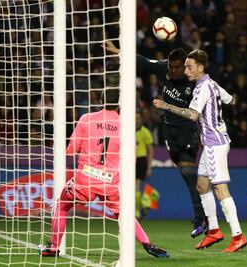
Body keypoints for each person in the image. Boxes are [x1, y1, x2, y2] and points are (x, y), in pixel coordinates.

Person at [39, 89, 169, 258]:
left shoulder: (86, 119)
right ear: (120, 104)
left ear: (100, 101)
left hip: (85, 180)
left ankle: (54, 247)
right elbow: (131, 158)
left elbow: (71, 149)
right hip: (110, 182)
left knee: (62, 205)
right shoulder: (125, 126)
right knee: (124, 214)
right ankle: (147, 243)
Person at [102, 41, 207, 238]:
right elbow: (142, 61)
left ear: (186, 66)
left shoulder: (193, 82)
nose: (173, 71)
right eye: (171, 66)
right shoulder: (163, 69)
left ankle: (201, 217)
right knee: (186, 173)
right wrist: (118, 50)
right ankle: (204, 213)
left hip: (186, 130)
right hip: (168, 130)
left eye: (177, 67)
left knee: (188, 171)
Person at [153, 49, 247, 252]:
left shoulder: (202, 88)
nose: (186, 71)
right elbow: (231, 100)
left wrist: (165, 105)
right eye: (185, 67)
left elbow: (193, 115)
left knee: (221, 190)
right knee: (201, 185)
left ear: (200, 68)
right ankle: (213, 231)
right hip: (213, 141)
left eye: (189, 67)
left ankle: (238, 236)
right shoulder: (212, 83)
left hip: (214, 143)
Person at [135, 111, 154, 219]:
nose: (136, 120)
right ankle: (144, 205)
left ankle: (137, 212)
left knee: (136, 187)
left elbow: (150, 150)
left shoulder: (145, 132)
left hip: (141, 160)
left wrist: (149, 167)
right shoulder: (126, 130)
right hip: (129, 160)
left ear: (141, 119)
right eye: (135, 118)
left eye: (138, 118)